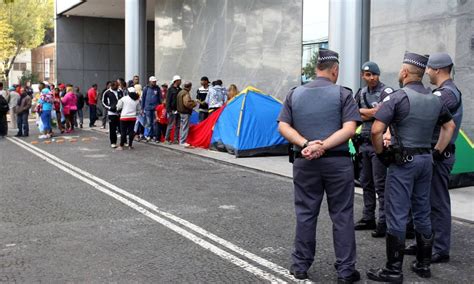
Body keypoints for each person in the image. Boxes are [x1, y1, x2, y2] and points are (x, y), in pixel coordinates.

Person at [366, 52, 455, 282]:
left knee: (397, 212)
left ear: (405, 72)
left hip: (403, 162)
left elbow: (376, 130)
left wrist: (382, 154)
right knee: (422, 211)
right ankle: (423, 265)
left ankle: (393, 270)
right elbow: (450, 126)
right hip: (426, 160)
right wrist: (435, 151)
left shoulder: (397, 98)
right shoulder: (436, 99)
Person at [278, 49, 361, 282]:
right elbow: (349, 129)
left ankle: (300, 265)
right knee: (342, 215)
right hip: (338, 163)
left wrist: (307, 144)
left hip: (305, 161)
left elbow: (283, 126)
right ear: (335, 70)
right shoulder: (343, 94)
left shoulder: (294, 94)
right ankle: (345, 271)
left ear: (316, 70)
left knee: (305, 214)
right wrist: (323, 145)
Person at [404, 53, 463, 264]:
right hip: (434, 154)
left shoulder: (446, 95)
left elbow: (429, 116)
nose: (426, 72)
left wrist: (435, 152)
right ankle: (425, 243)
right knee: (424, 201)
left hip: (439, 155)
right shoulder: (443, 92)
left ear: (437, 70)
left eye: (428, 68)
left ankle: (440, 249)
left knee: (437, 203)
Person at [353, 61, 393, 238]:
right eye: (367, 75)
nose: (371, 78)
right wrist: (373, 111)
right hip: (363, 144)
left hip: (378, 144)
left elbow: (384, 112)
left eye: (374, 74)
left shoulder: (386, 91)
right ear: (363, 76)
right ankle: (368, 217)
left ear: (379, 75)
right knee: (366, 182)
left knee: (381, 184)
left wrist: (366, 112)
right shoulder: (361, 93)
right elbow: (353, 113)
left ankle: (383, 222)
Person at [141, 76, 161, 142]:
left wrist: (160, 107)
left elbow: (160, 98)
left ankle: (155, 135)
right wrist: (142, 108)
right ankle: (149, 135)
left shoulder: (157, 88)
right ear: (150, 81)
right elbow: (143, 98)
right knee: (149, 122)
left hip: (155, 108)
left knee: (155, 122)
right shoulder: (146, 88)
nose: (155, 82)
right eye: (153, 81)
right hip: (148, 108)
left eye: (155, 81)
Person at [102, 81, 122, 148]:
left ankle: (123, 142)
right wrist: (110, 107)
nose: (117, 87)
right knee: (112, 129)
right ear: (112, 86)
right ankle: (113, 142)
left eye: (118, 86)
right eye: (116, 86)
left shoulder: (120, 91)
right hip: (112, 113)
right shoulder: (107, 92)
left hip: (120, 113)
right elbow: (103, 102)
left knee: (121, 128)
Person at [177, 81, 197, 147]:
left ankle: (181, 140)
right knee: (185, 127)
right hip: (185, 112)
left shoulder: (180, 92)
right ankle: (183, 141)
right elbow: (187, 103)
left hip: (181, 112)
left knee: (182, 127)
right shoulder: (185, 93)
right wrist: (194, 103)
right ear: (189, 87)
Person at [165, 75, 182, 144]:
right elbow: (168, 100)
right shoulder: (170, 89)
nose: (180, 82)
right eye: (179, 81)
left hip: (178, 110)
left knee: (178, 125)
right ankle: (167, 138)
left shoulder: (180, 90)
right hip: (172, 110)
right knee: (171, 125)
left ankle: (175, 139)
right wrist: (168, 110)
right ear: (176, 81)